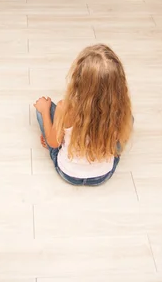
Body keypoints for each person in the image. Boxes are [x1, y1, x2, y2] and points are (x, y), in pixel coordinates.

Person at [34, 44, 133, 186]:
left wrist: (44, 111)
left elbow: (53, 142)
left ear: (78, 79)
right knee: (129, 120)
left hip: (68, 173)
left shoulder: (65, 108)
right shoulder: (120, 110)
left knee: (44, 109)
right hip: (103, 175)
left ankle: (59, 137)